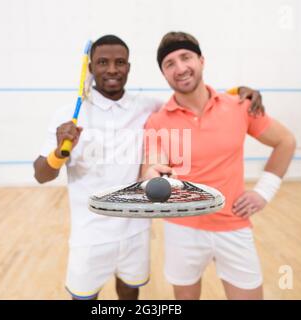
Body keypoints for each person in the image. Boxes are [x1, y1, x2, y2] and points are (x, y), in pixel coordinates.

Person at [33, 34, 265, 300]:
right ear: (91, 67)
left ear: (128, 68)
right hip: (90, 236)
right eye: (103, 62)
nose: (111, 69)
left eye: (119, 62)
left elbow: (187, 97)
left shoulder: (146, 107)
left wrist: (236, 92)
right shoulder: (66, 116)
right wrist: (58, 153)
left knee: (130, 292)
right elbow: (41, 175)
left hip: (135, 232)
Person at [141, 31, 296, 300]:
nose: (180, 68)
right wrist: (153, 175)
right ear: (164, 75)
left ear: (201, 60)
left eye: (185, 57)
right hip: (183, 229)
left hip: (233, 225)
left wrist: (264, 192)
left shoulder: (240, 106)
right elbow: (152, 165)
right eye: (169, 64)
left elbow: (285, 141)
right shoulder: (158, 121)